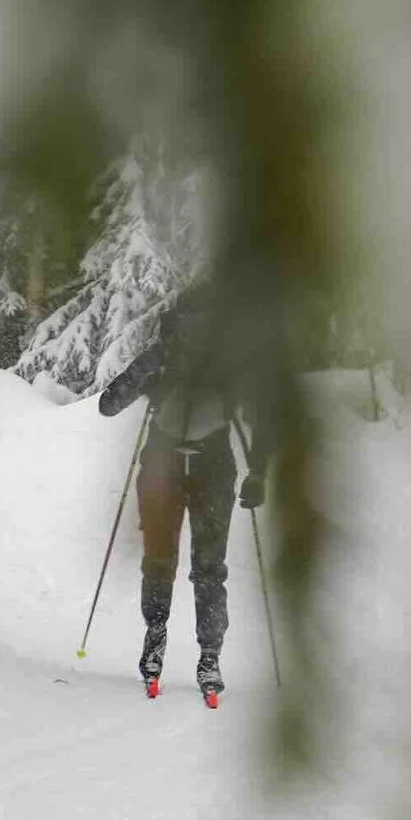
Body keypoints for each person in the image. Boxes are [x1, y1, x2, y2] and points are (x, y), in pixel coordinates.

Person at [97, 297, 268, 705]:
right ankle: (209, 658)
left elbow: (108, 404)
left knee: (160, 561)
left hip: (165, 466)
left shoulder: (163, 353)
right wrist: (257, 473)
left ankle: (156, 639)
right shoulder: (229, 360)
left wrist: (139, 381)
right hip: (209, 468)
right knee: (209, 568)